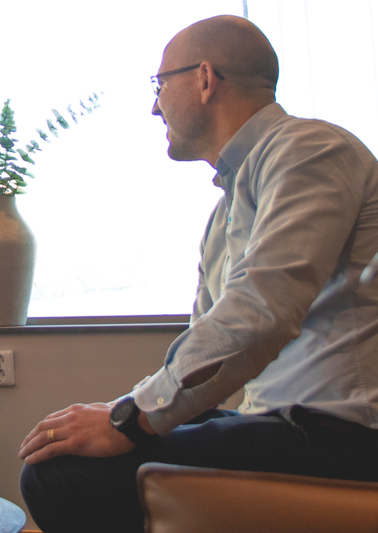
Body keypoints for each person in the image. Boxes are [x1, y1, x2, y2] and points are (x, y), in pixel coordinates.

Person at [19, 15, 378, 532]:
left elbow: (259, 314)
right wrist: (124, 410)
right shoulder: (227, 209)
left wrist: (128, 420)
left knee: (61, 476)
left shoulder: (311, 152)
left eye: (159, 84)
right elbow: (206, 341)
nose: (153, 104)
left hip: (341, 435)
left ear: (205, 79)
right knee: (65, 445)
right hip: (278, 422)